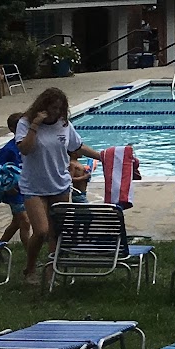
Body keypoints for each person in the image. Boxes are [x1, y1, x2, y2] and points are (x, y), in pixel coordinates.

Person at [17, 87, 101, 284]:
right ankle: (30, 269)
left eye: (59, 108)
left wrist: (103, 156)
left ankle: (51, 271)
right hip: (34, 186)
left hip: (60, 184)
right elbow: (25, 149)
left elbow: (78, 147)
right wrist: (35, 125)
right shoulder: (25, 123)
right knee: (41, 231)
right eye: (52, 107)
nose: (55, 112)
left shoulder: (64, 124)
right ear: (42, 106)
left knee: (56, 232)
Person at [0, 112, 30, 248]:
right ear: (12, 129)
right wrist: (6, 187)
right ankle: (31, 253)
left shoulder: (29, 145)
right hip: (14, 192)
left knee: (16, 223)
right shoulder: (9, 149)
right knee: (25, 221)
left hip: (27, 189)